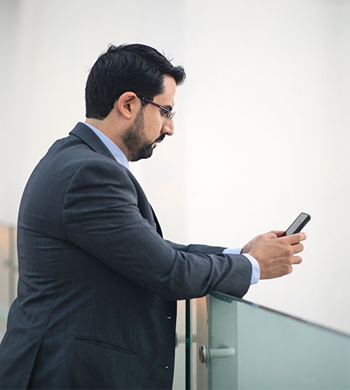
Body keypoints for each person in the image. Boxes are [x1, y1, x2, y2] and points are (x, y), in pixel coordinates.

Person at [0, 44, 306, 390]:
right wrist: (253, 267)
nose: (170, 129)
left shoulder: (73, 157)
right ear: (129, 104)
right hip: (65, 373)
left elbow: (147, 248)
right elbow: (168, 271)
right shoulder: (91, 173)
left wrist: (238, 254)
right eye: (166, 112)